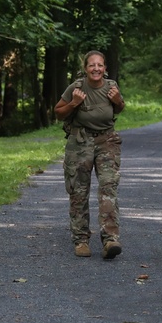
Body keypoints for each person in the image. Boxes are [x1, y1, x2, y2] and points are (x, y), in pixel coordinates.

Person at [54, 51, 126, 260]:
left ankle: (110, 239)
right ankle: (81, 240)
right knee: (78, 190)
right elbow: (58, 113)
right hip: (80, 142)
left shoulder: (111, 86)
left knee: (108, 187)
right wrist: (74, 102)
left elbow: (118, 108)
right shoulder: (76, 88)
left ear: (105, 68)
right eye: (92, 65)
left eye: (100, 65)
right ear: (85, 69)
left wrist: (118, 100)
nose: (96, 69)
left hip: (107, 141)